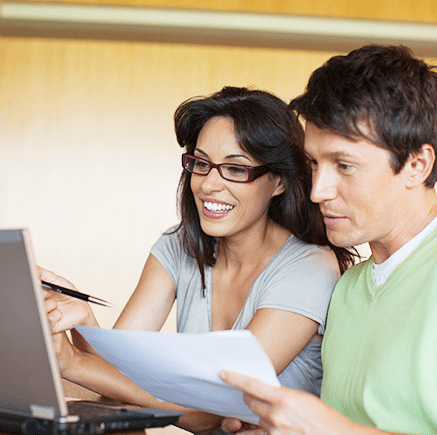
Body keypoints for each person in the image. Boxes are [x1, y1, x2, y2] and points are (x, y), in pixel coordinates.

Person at [42, 86, 354, 434]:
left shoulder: (308, 268)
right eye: (201, 164)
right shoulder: (179, 247)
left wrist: (73, 362)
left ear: (278, 181)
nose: (209, 185)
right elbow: (117, 382)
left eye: (235, 169)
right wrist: (83, 321)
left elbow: (209, 413)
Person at [220, 45, 437, 434]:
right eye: (315, 164)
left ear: (417, 165)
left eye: (345, 165)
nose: (318, 190)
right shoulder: (348, 287)